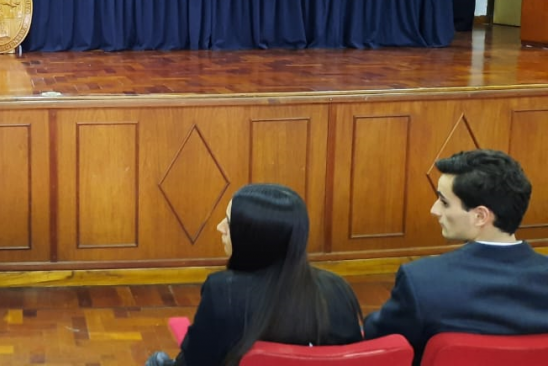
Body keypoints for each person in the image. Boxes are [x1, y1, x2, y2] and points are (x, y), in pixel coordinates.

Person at [364, 149, 548, 364]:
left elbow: (381, 341)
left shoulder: (422, 280)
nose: (434, 210)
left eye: (443, 202)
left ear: (480, 216)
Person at [146, 184, 362, 366]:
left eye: (229, 223)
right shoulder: (337, 289)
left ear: (252, 237)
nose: (219, 227)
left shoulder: (223, 293)